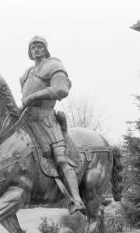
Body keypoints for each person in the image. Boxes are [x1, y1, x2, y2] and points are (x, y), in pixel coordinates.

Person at [20, 35, 85, 214]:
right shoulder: (25, 74)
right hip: (27, 118)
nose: (36, 50)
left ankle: (76, 199)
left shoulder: (54, 65)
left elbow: (61, 89)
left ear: (46, 48)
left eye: (39, 46)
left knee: (61, 158)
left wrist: (33, 97)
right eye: (32, 47)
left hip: (47, 119)